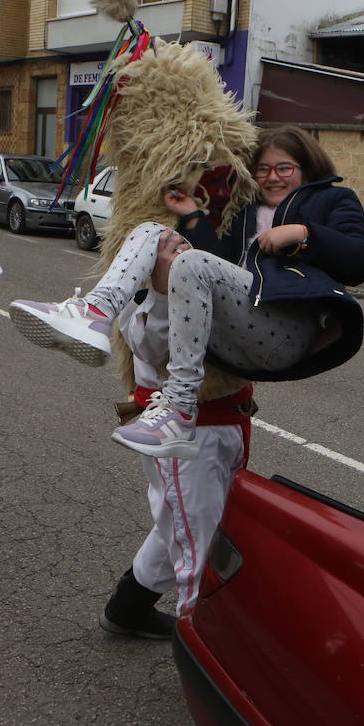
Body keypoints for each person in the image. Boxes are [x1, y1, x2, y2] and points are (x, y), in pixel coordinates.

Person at [11, 125, 364, 460]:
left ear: (306, 167)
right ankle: (96, 312)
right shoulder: (248, 209)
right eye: (263, 169)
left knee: (190, 263)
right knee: (156, 232)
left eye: (284, 168)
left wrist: (303, 233)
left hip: (288, 329)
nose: (272, 177)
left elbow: (361, 261)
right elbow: (217, 262)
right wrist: (190, 216)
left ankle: (180, 408)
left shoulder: (332, 199)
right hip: (241, 322)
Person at [99, 230, 252, 638]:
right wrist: (165, 291)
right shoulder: (144, 306)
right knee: (199, 545)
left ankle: (127, 609)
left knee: (182, 526)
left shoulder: (204, 281)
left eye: (183, 242)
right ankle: (206, 647)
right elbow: (149, 349)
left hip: (223, 425)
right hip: (183, 436)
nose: (180, 249)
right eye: (167, 247)